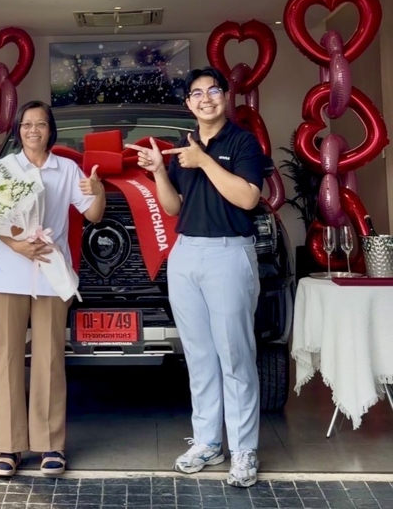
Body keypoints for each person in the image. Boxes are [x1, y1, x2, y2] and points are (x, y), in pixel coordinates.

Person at [128, 66, 264, 489]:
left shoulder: (242, 142)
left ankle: (243, 449)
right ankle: (208, 442)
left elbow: (248, 197)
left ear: (225, 97)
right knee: (200, 356)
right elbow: (172, 208)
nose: (206, 99)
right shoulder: (185, 145)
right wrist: (159, 171)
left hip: (228, 252)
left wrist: (204, 161)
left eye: (213, 91)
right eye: (197, 93)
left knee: (234, 354)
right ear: (189, 103)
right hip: (186, 253)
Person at [0, 100, 106, 478]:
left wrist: (98, 191)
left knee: (50, 358)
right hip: (10, 275)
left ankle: (51, 444)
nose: (33, 130)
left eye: (40, 124)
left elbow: (93, 214)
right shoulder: (4, 169)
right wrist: (17, 245)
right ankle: (8, 446)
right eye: (26, 124)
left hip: (52, 276)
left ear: (50, 130)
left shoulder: (66, 169)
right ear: (18, 130)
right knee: (7, 358)